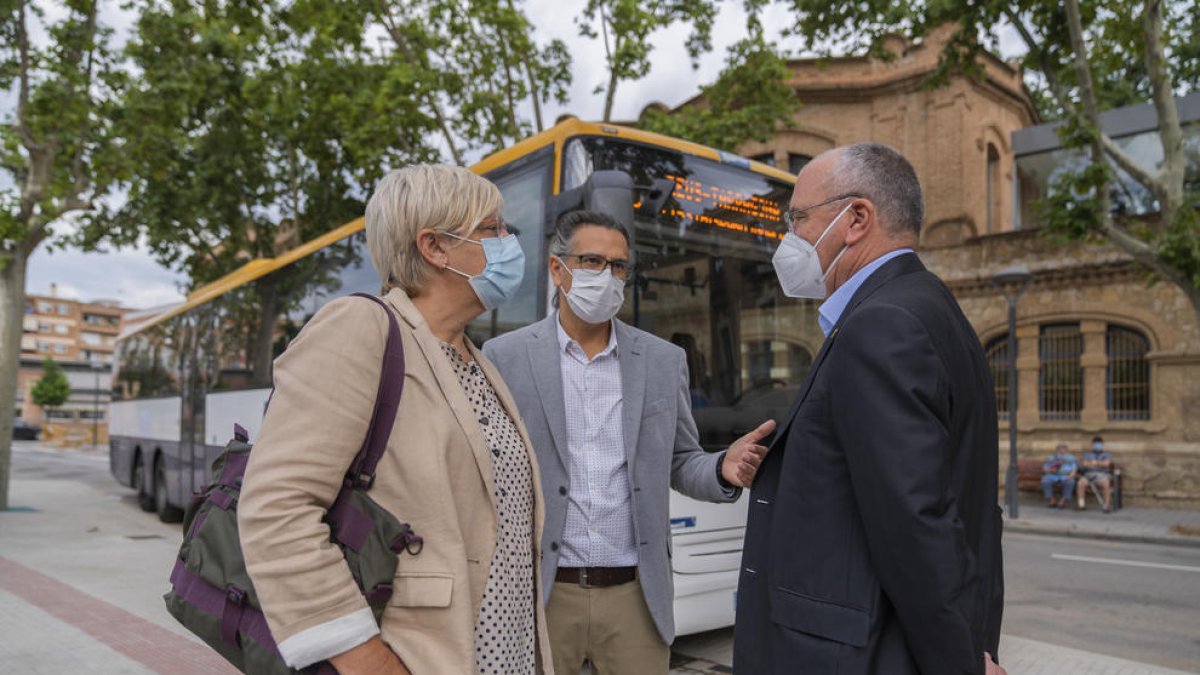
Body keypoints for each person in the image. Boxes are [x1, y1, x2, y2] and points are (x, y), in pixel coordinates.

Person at [238, 165, 553, 675]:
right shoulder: (362, 327)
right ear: (434, 247)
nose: (509, 242)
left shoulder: (476, 359)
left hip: (504, 653)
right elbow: (276, 508)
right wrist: (367, 661)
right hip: (420, 655)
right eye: (493, 228)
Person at [733, 144, 1006, 675]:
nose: (790, 239)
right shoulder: (927, 307)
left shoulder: (881, 324)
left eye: (799, 219)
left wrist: (962, 661)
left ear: (856, 218)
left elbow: (915, 520)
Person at [483, 210, 773, 675]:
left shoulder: (662, 360)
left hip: (636, 599)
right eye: (593, 261)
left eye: (619, 266)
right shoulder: (505, 356)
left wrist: (721, 468)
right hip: (542, 592)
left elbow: (680, 460)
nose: (608, 276)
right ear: (559, 270)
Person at [1077, 435, 1114, 512]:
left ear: (1102, 444)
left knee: (1106, 484)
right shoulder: (1087, 454)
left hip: (1102, 474)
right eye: (1095, 443)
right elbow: (1084, 464)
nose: (1097, 445)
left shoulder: (1107, 454)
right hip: (1089, 474)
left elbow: (1106, 464)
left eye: (1099, 443)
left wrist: (1093, 462)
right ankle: (1081, 504)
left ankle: (1106, 505)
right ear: (1092, 444)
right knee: (1080, 483)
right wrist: (1099, 463)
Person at [1041, 443, 1078, 509]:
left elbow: (1074, 469)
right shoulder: (1052, 457)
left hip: (1065, 476)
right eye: (1060, 450)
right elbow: (1045, 469)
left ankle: (1062, 501)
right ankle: (1052, 499)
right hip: (1053, 475)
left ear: (1066, 451)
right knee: (1045, 480)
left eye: (1064, 450)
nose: (1062, 452)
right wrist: (1050, 470)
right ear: (1057, 451)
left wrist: (1071, 475)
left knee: (1070, 482)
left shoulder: (1071, 458)